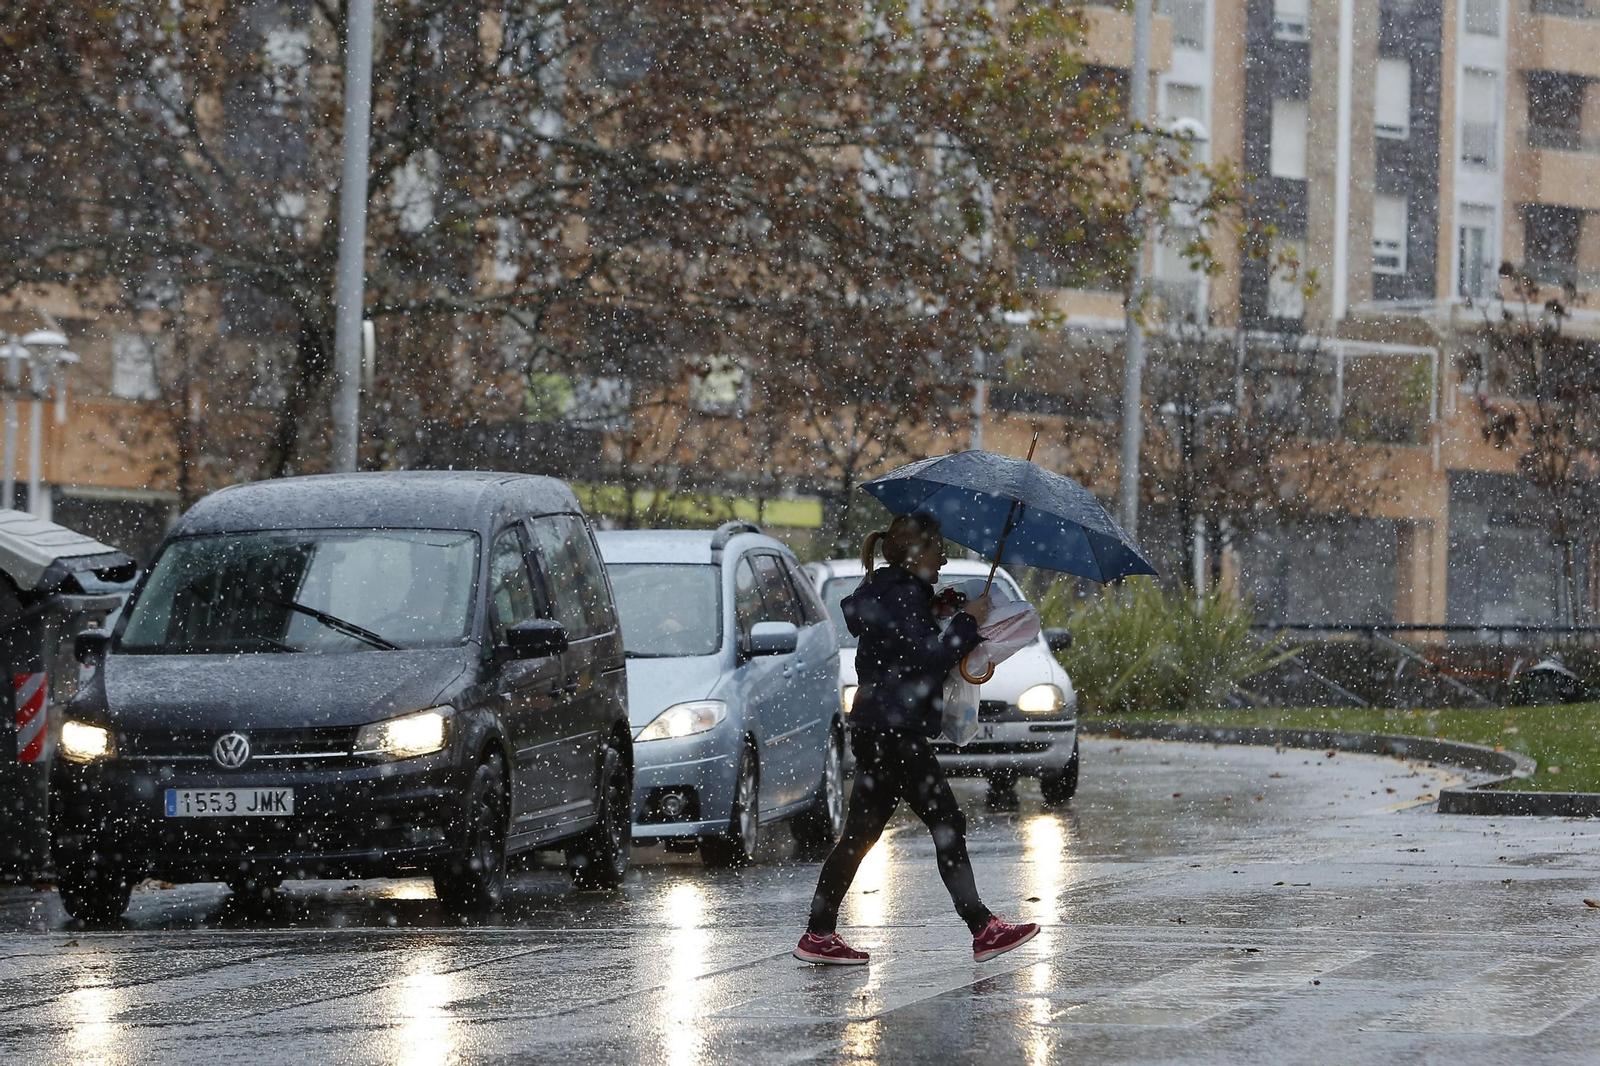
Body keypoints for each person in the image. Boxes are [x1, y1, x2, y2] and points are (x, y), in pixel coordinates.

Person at [794, 512, 1040, 966]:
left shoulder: (890, 591)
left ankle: (818, 932)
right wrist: (966, 621)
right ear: (914, 554)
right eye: (937, 548)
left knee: (859, 836)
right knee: (946, 822)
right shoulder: (903, 596)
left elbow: (901, 643)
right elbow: (928, 659)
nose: (944, 557)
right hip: (896, 733)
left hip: (876, 729)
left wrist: (937, 609)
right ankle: (983, 927)